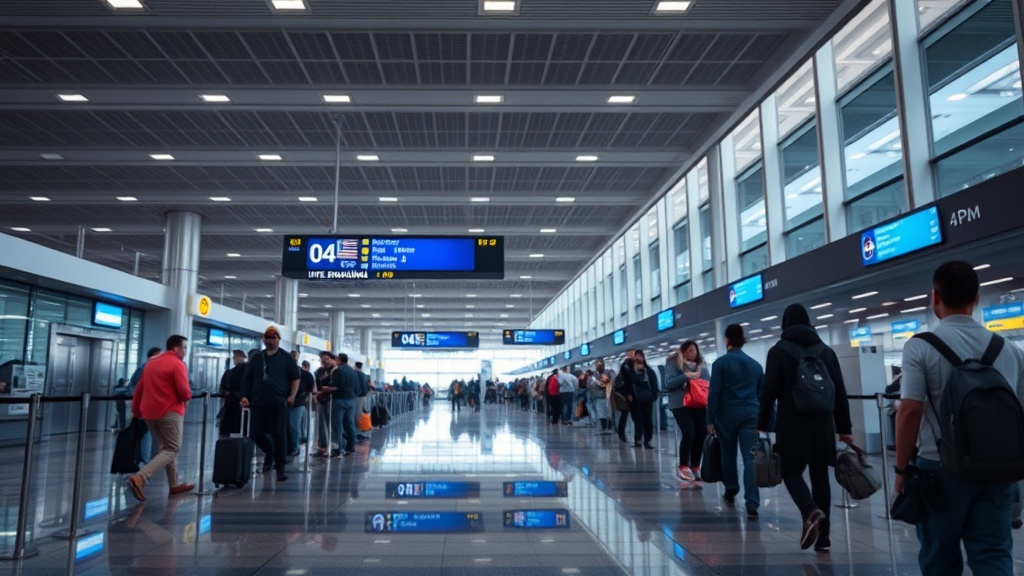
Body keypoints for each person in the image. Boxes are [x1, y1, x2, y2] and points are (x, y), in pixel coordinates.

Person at [895, 261, 1024, 575]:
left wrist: (901, 470)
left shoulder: (919, 347)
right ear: (977, 297)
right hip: (997, 471)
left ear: (935, 296)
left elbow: (910, 410)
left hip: (938, 469)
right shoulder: (1009, 348)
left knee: (940, 558)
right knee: (993, 554)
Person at [758, 304, 853, 551]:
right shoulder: (826, 351)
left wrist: (761, 424)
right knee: (820, 474)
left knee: (790, 471)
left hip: (792, 421)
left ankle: (810, 511)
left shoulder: (778, 351)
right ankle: (824, 537)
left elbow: (769, 391)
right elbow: (839, 391)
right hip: (823, 423)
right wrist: (845, 427)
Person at [126, 335, 193, 502]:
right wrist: (187, 398)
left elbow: (139, 389)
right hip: (170, 412)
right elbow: (184, 391)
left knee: (166, 447)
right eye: (184, 347)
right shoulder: (177, 364)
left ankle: (174, 484)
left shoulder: (151, 363)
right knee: (173, 448)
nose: (185, 351)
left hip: (149, 413)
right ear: (177, 348)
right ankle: (140, 477)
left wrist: (136, 410)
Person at [707, 323, 764, 519]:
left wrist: (710, 419)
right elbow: (762, 395)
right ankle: (753, 503)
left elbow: (714, 393)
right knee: (750, 457)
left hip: (727, 416)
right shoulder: (756, 365)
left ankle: (731, 490)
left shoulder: (720, 364)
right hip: (750, 415)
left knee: (728, 454)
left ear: (727, 340)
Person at [240, 326, 299, 482]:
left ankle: (280, 468)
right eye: (268, 337)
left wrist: (292, 395)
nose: (271, 340)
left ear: (279, 340)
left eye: (274, 337)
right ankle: (270, 451)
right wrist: (244, 396)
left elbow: (295, 378)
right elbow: (248, 379)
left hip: (279, 403)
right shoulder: (257, 358)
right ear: (263, 339)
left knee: (279, 434)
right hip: (258, 402)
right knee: (256, 433)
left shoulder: (286, 358)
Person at [664, 340, 710, 482]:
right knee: (689, 432)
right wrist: (686, 376)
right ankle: (683, 466)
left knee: (701, 433)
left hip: (699, 402)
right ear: (683, 351)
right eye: (689, 350)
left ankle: (695, 466)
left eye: (694, 350)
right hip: (680, 403)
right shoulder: (673, 362)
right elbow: (668, 383)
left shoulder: (702, 365)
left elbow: (707, 381)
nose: (692, 353)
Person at [619, 350, 658, 448]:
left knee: (647, 419)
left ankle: (647, 440)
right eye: (636, 357)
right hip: (634, 399)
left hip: (647, 399)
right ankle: (638, 440)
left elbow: (654, 384)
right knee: (637, 420)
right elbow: (626, 381)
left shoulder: (649, 371)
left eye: (640, 357)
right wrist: (628, 394)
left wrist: (653, 396)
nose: (638, 359)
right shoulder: (629, 370)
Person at [325, 353, 359, 457]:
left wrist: (326, 389)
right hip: (350, 400)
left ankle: (337, 449)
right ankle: (351, 447)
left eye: (336, 359)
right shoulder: (353, 372)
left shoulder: (339, 371)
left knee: (337, 425)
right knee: (349, 424)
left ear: (339, 360)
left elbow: (336, 387)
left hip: (339, 400)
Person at [218, 349, 247, 438]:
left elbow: (222, 388)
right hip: (241, 406)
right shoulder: (248, 372)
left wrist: (228, 393)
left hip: (232, 405)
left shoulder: (230, 373)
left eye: (234, 357)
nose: (234, 359)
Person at [288, 360, 314, 456]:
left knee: (294, 425)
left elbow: (310, 389)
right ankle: (291, 447)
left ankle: (295, 447)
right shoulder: (304, 374)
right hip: (290, 402)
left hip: (298, 403)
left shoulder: (305, 375)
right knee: (291, 425)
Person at [313, 351, 335, 458]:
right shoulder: (318, 372)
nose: (324, 361)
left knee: (333, 423)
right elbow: (316, 385)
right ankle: (323, 446)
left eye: (327, 358)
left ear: (331, 359)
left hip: (333, 399)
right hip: (321, 399)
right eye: (322, 358)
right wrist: (315, 396)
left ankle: (335, 445)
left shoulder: (335, 371)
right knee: (321, 423)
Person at [614, 350, 638, 443]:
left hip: (628, 393)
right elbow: (628, 380)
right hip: (626, 394)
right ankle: (621, 433)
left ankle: (624, 433)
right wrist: (628, 393)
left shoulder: (629, 364)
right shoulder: (627, 365)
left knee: (626, 414)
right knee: (626, 414)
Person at [588, 360, 615, 433]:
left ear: (604, 365)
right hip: (598, 396)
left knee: (608, 412)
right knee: (601, 412)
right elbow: (590, 385)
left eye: (601, 365)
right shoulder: (593, 376)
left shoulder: (609, 373)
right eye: (598, 365)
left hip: (608, 395)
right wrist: (597, 383)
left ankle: (610, 427)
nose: (599, 367)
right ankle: (603, 427)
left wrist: (607, 382)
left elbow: (613, 381)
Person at [353, 361, 372, 441]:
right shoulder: (364, 375)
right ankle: (362, 431)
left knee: (357, 415)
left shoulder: (356, 374)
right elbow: (368, 387)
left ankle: (358, 432)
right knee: (361, 413)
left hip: (358, 396)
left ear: (355, 366)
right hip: (364, 396)